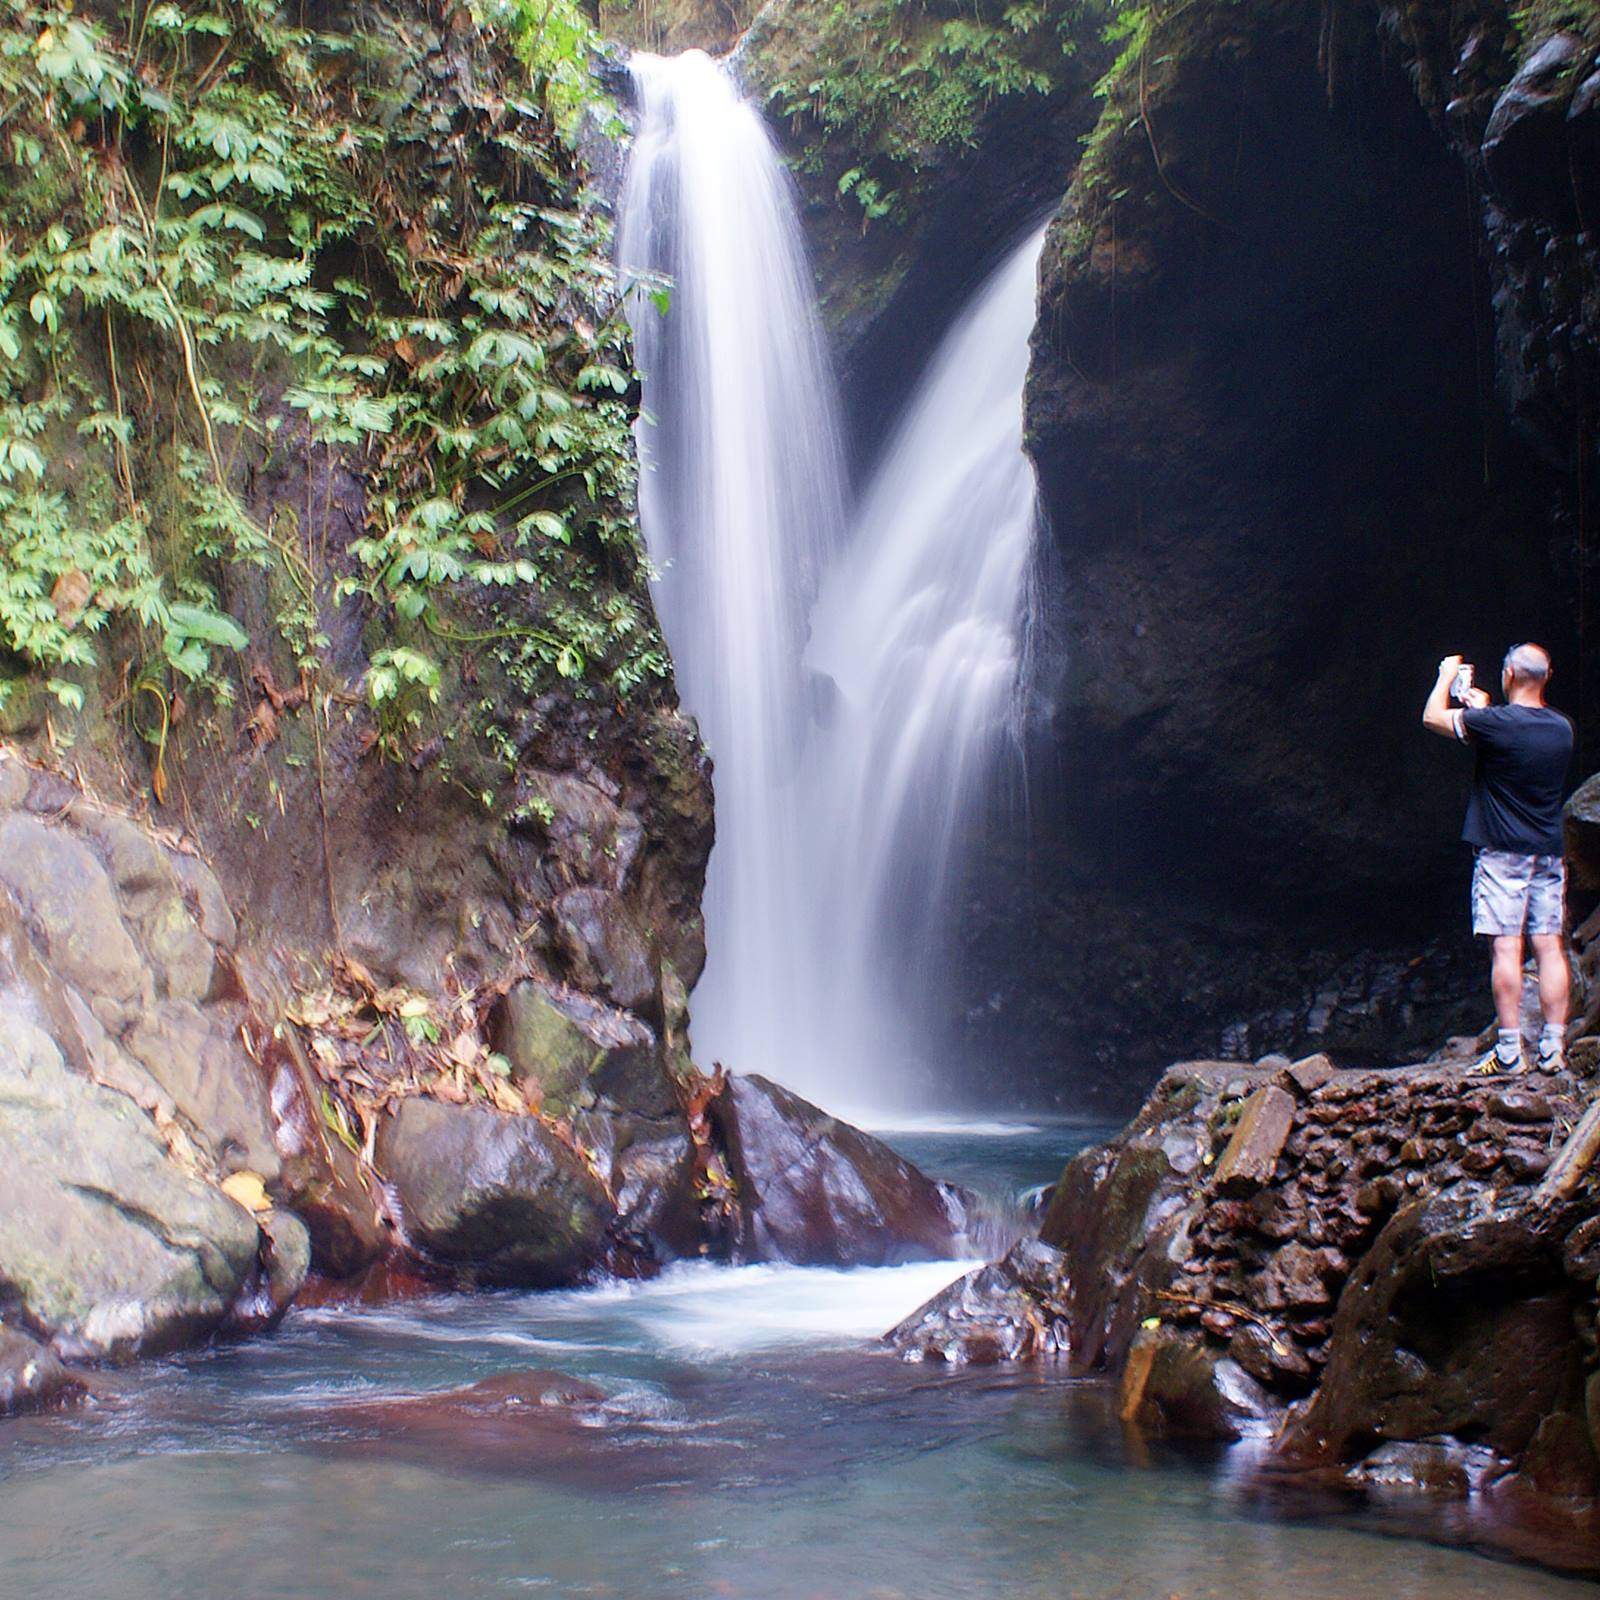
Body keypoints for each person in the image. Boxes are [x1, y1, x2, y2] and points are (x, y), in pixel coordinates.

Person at [1422, 644, 1575, 1073]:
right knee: (1549, 947)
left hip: (1502, 854)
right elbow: (1510, 732)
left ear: (1508, 673)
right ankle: (1553, 1048)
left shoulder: (1495, 726)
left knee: (1507, 948)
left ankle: (1510, 1052)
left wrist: (1445, 677)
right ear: (1547, 677)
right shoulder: (1562, 729)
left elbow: (1432, 718)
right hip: (1547, 852)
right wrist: (1483, 708)